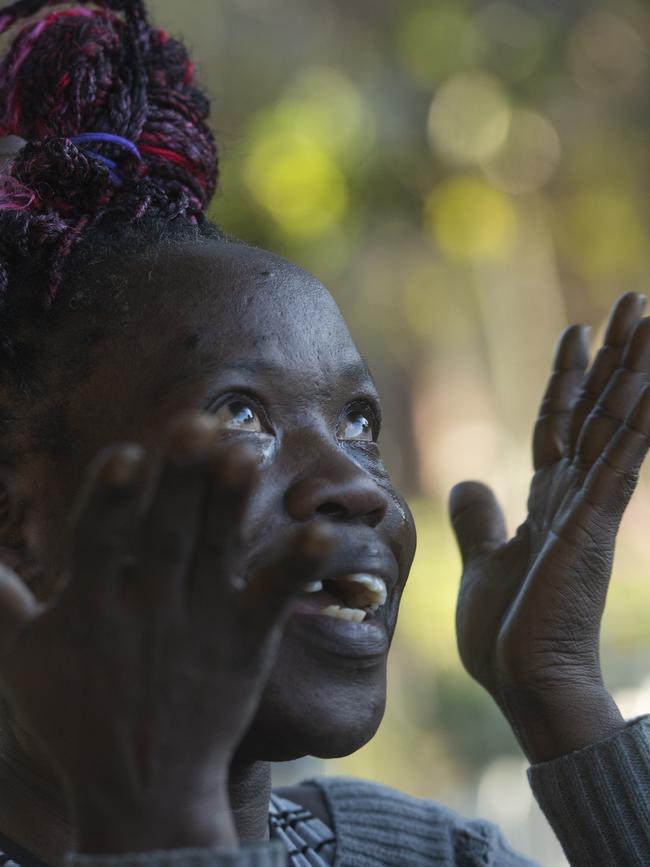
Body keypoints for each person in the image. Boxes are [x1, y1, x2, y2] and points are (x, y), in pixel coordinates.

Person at [0, 2, 648, 866]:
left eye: (360, 421)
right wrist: (160, 826)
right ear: (17, 521)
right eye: (241, 414)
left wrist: (556, 687)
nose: (362, 485)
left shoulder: (432, 854)